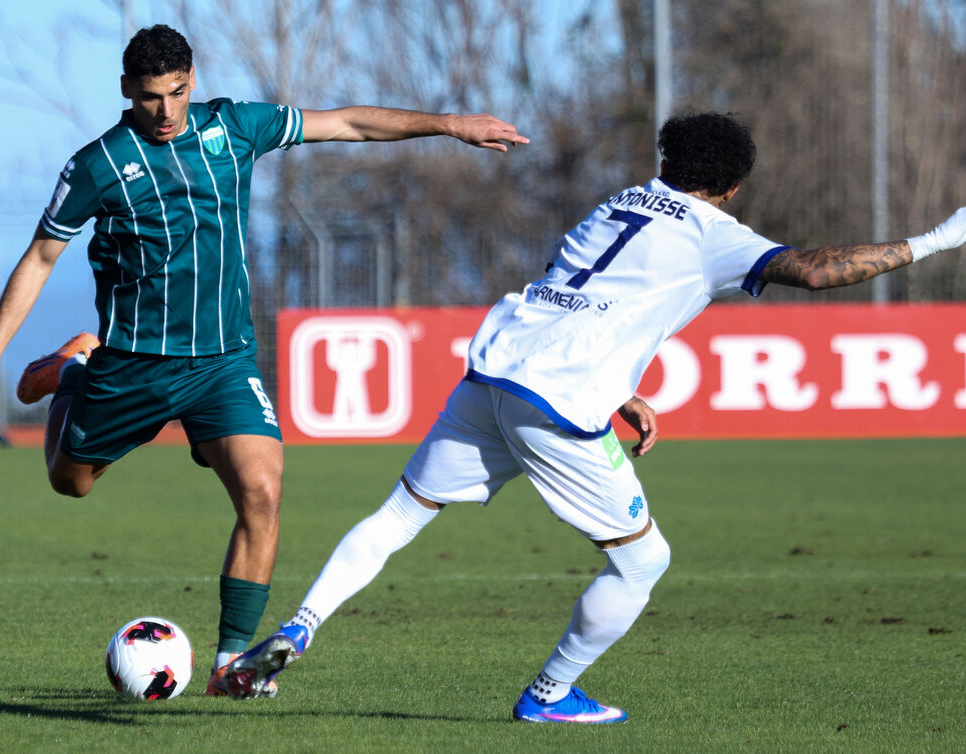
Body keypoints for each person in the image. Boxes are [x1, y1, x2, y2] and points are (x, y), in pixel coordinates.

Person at [225, 110, 966, 720]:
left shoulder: (620, 202)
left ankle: (300, 626)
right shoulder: (715, 234)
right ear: (734, 186)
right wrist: (939, 239)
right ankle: (549, 695)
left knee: (399, 514)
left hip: (496, 370)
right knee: (644, 561)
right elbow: (815, 271)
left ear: (665, 161)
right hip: (557, 403)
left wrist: (619, 391)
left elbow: (586, 297)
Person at [0, 24, 528, 696]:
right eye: (150, 97)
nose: (165, 110)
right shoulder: (97, 166)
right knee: (69, 482)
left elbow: (346, 123)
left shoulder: (233, 128)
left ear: (192, 81)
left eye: (176, 92)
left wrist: (450, 125)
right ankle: (75, 369)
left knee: (263, 491)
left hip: (223, 362)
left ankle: (231, 664)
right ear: (126, 90)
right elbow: (40, 257)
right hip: (134, 364)